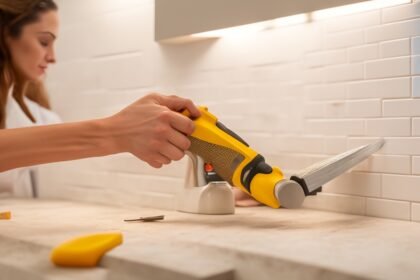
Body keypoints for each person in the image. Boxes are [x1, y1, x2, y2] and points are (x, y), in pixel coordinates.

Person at [0, 0, 200, 196]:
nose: (52, 57)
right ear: (6, 35)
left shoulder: (37, 116)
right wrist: (119, 131)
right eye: (44, 42)